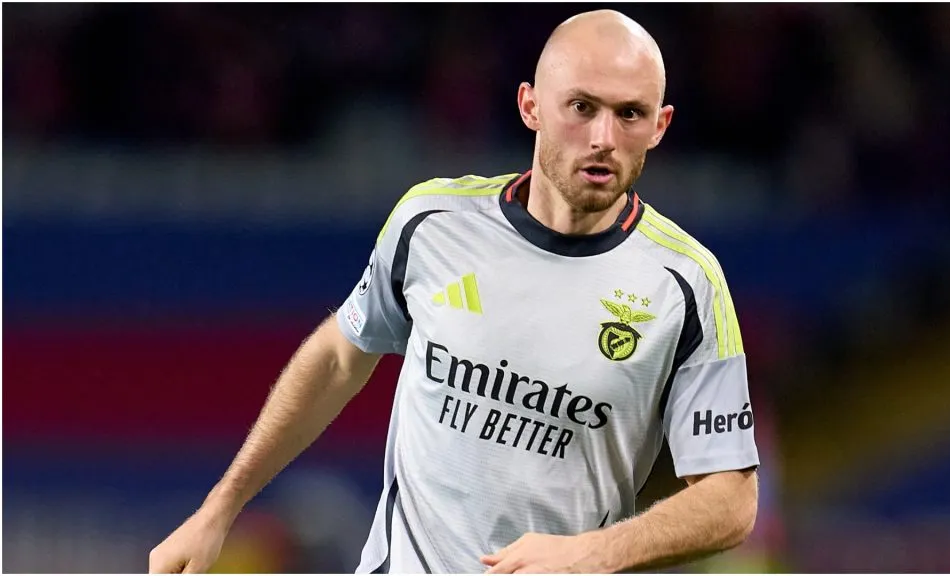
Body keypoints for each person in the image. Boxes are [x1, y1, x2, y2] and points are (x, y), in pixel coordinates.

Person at [148, 9, 759, 575]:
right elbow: (339, 355)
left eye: (629, 113)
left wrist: (592, 553)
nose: (603, 136)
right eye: (580, 106)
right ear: (531, 107)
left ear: (660, 125)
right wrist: (218, 509)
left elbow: (731, 501)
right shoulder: (433, 223)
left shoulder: (687, 287)